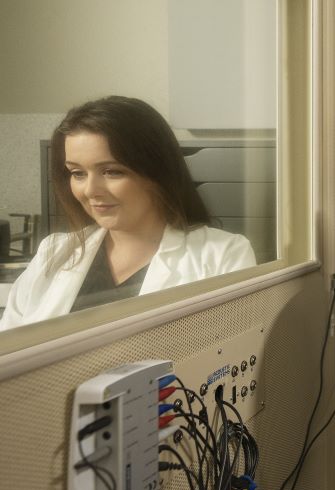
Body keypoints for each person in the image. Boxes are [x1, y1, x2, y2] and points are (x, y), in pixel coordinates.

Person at [0, 96, 256, 330]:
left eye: (112, 171)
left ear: (157, 173)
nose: (90, 191)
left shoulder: (222, 256)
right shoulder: (53, 252)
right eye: (78, 173)